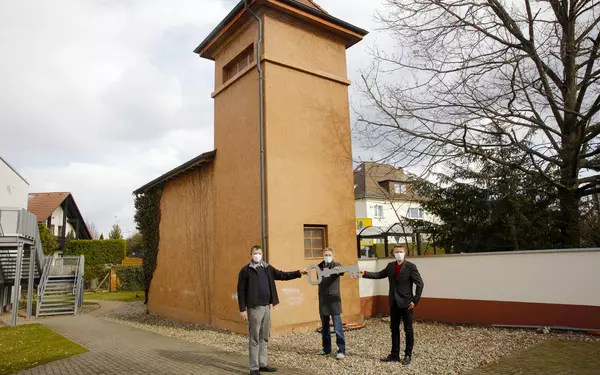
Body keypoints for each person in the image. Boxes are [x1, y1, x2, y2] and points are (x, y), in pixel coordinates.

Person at [237, 245, 307, 375]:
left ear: (262, 255)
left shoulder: (267, 268)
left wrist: (299, 273)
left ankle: (263, 363)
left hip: (266, 307)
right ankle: (254, 367)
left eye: (259, 253)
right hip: (254, 308)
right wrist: (242, 309)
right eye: (255, 253)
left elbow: (282, 275)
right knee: (254, 338)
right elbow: (240, 291)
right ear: (250, 255)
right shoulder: (245, 271)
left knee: (264, 337)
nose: (257, 255)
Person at [360, 246, 424, 365]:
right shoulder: (390, 266)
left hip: (406, 304)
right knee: (394, 329)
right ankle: (394, 354)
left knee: (408, 330)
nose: (399, 253)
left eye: (401, 252)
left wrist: (415, 301)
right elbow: (379, 275)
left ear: (405, 253)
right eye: (396, 252)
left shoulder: (411, 267)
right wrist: (364, 273)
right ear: (393, 254)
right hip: (393, 303)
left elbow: (420, 284)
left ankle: (408, 355)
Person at [316, 247, 346, 359]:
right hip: (323, 301)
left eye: (329, 255)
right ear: (323, 255)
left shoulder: (336, 265)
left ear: (332, 256)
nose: (327, 257)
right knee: (325, 328)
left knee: (338, 327)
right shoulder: (318, 266)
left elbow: (341, 271)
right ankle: (326, 348)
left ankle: (341, 350)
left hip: (334, 301)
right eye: (325, 255)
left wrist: (339, 269)